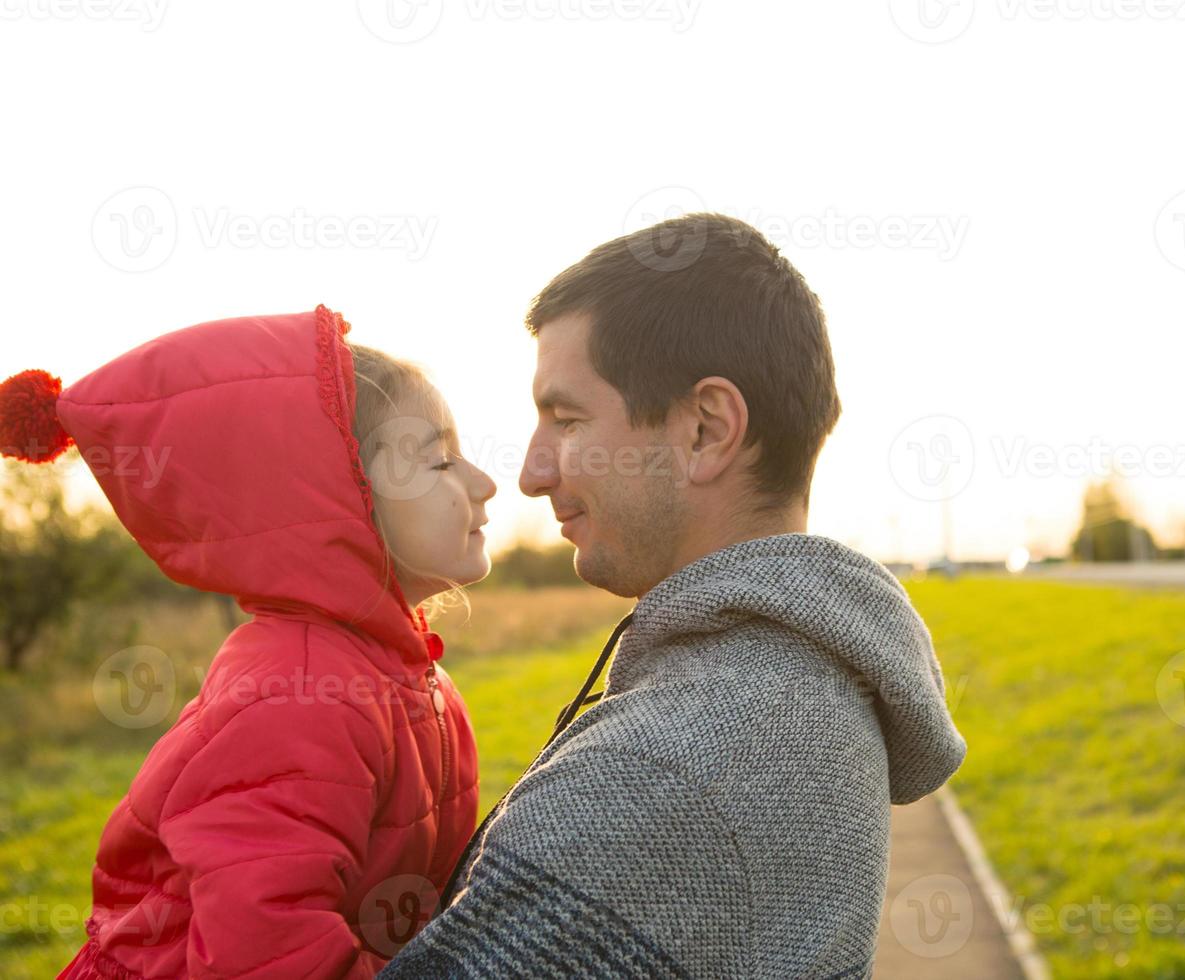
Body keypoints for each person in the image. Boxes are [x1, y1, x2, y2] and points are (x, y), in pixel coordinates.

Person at [383, 215, 968, 978]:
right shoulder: (804, 677)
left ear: (704, 431)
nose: (530, 473)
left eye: (566, 419)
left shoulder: (666, 775)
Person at [0, 305, 491, 977]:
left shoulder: (406, 676)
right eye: (438, 462)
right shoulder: (300, 696)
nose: (486, 486)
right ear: (333, 499)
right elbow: (265, 957)